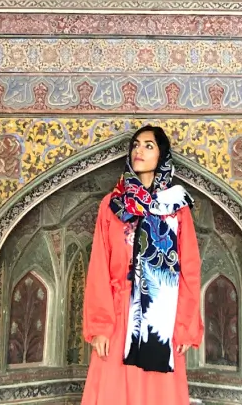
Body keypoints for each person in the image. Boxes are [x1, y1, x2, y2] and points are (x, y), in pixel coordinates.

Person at [81, 125, 203, 405]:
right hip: (118, 314)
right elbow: (99, 265)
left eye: (149, 146)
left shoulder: (176, 206)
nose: (139, 150)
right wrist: (100, 327)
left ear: (162, 156)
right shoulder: (113, 204)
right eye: (136, 144)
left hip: (161, 317)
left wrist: (185, 326)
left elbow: (189, 268)